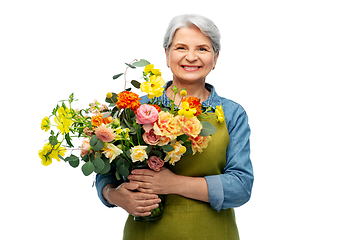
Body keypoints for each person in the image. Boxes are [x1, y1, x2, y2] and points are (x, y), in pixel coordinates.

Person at [95, 14, 254, 240]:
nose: (191, 57)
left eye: (202, 49)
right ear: (167, 55)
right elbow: (106, 173)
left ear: (215, 58)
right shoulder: (137, 108)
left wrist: (173, 183)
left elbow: (241, 187)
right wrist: (114, 195)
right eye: (181, 47)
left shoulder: (231, 114)